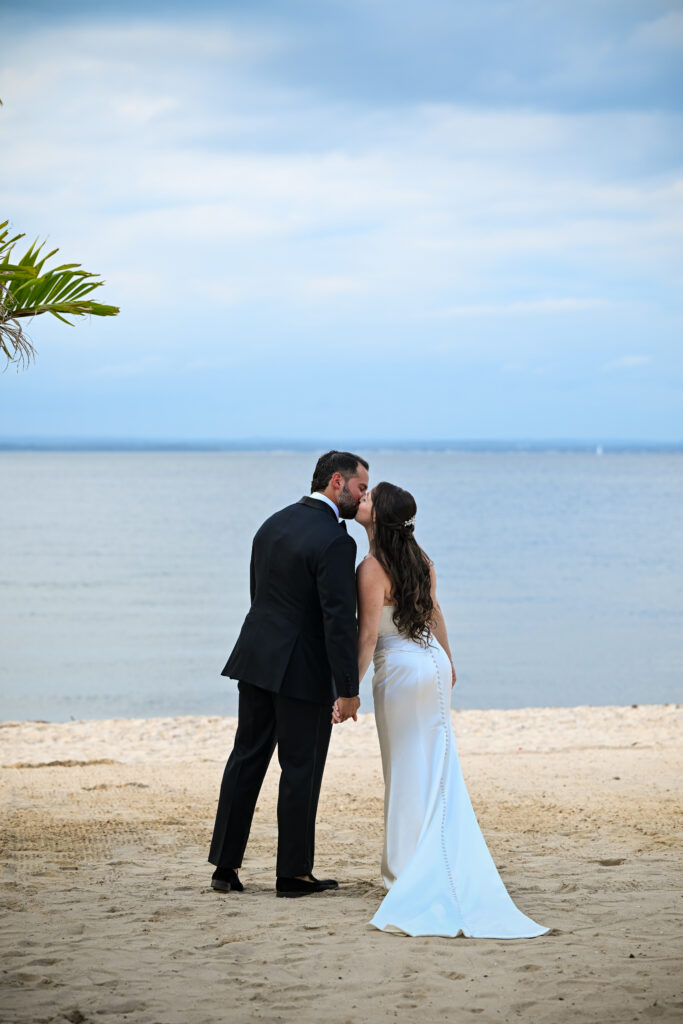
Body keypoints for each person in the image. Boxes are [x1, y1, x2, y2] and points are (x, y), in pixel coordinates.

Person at [338, 481, 547, 938]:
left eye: (370, 499)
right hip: (433, 663)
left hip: (400, 670)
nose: (363, 500)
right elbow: (436, 614)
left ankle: (402, 872)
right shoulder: (422, 561)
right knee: (436, 767)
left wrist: (349, 692)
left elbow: (369, 636)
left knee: (405, 768)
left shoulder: (371, 567)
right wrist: (450, 662)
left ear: (380, 516)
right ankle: (428, 857)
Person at [209, 451, 369, 897]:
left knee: (246, 760)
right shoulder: (337, 541)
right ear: (337, 483)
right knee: (301, 768)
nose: (363, 498)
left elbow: (260, 593)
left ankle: (225, 868)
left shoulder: (272, 523)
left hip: (257, 657)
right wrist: (348, 689)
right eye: (360, 488)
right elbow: (339, 621)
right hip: (302, 672)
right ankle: (293, 874)